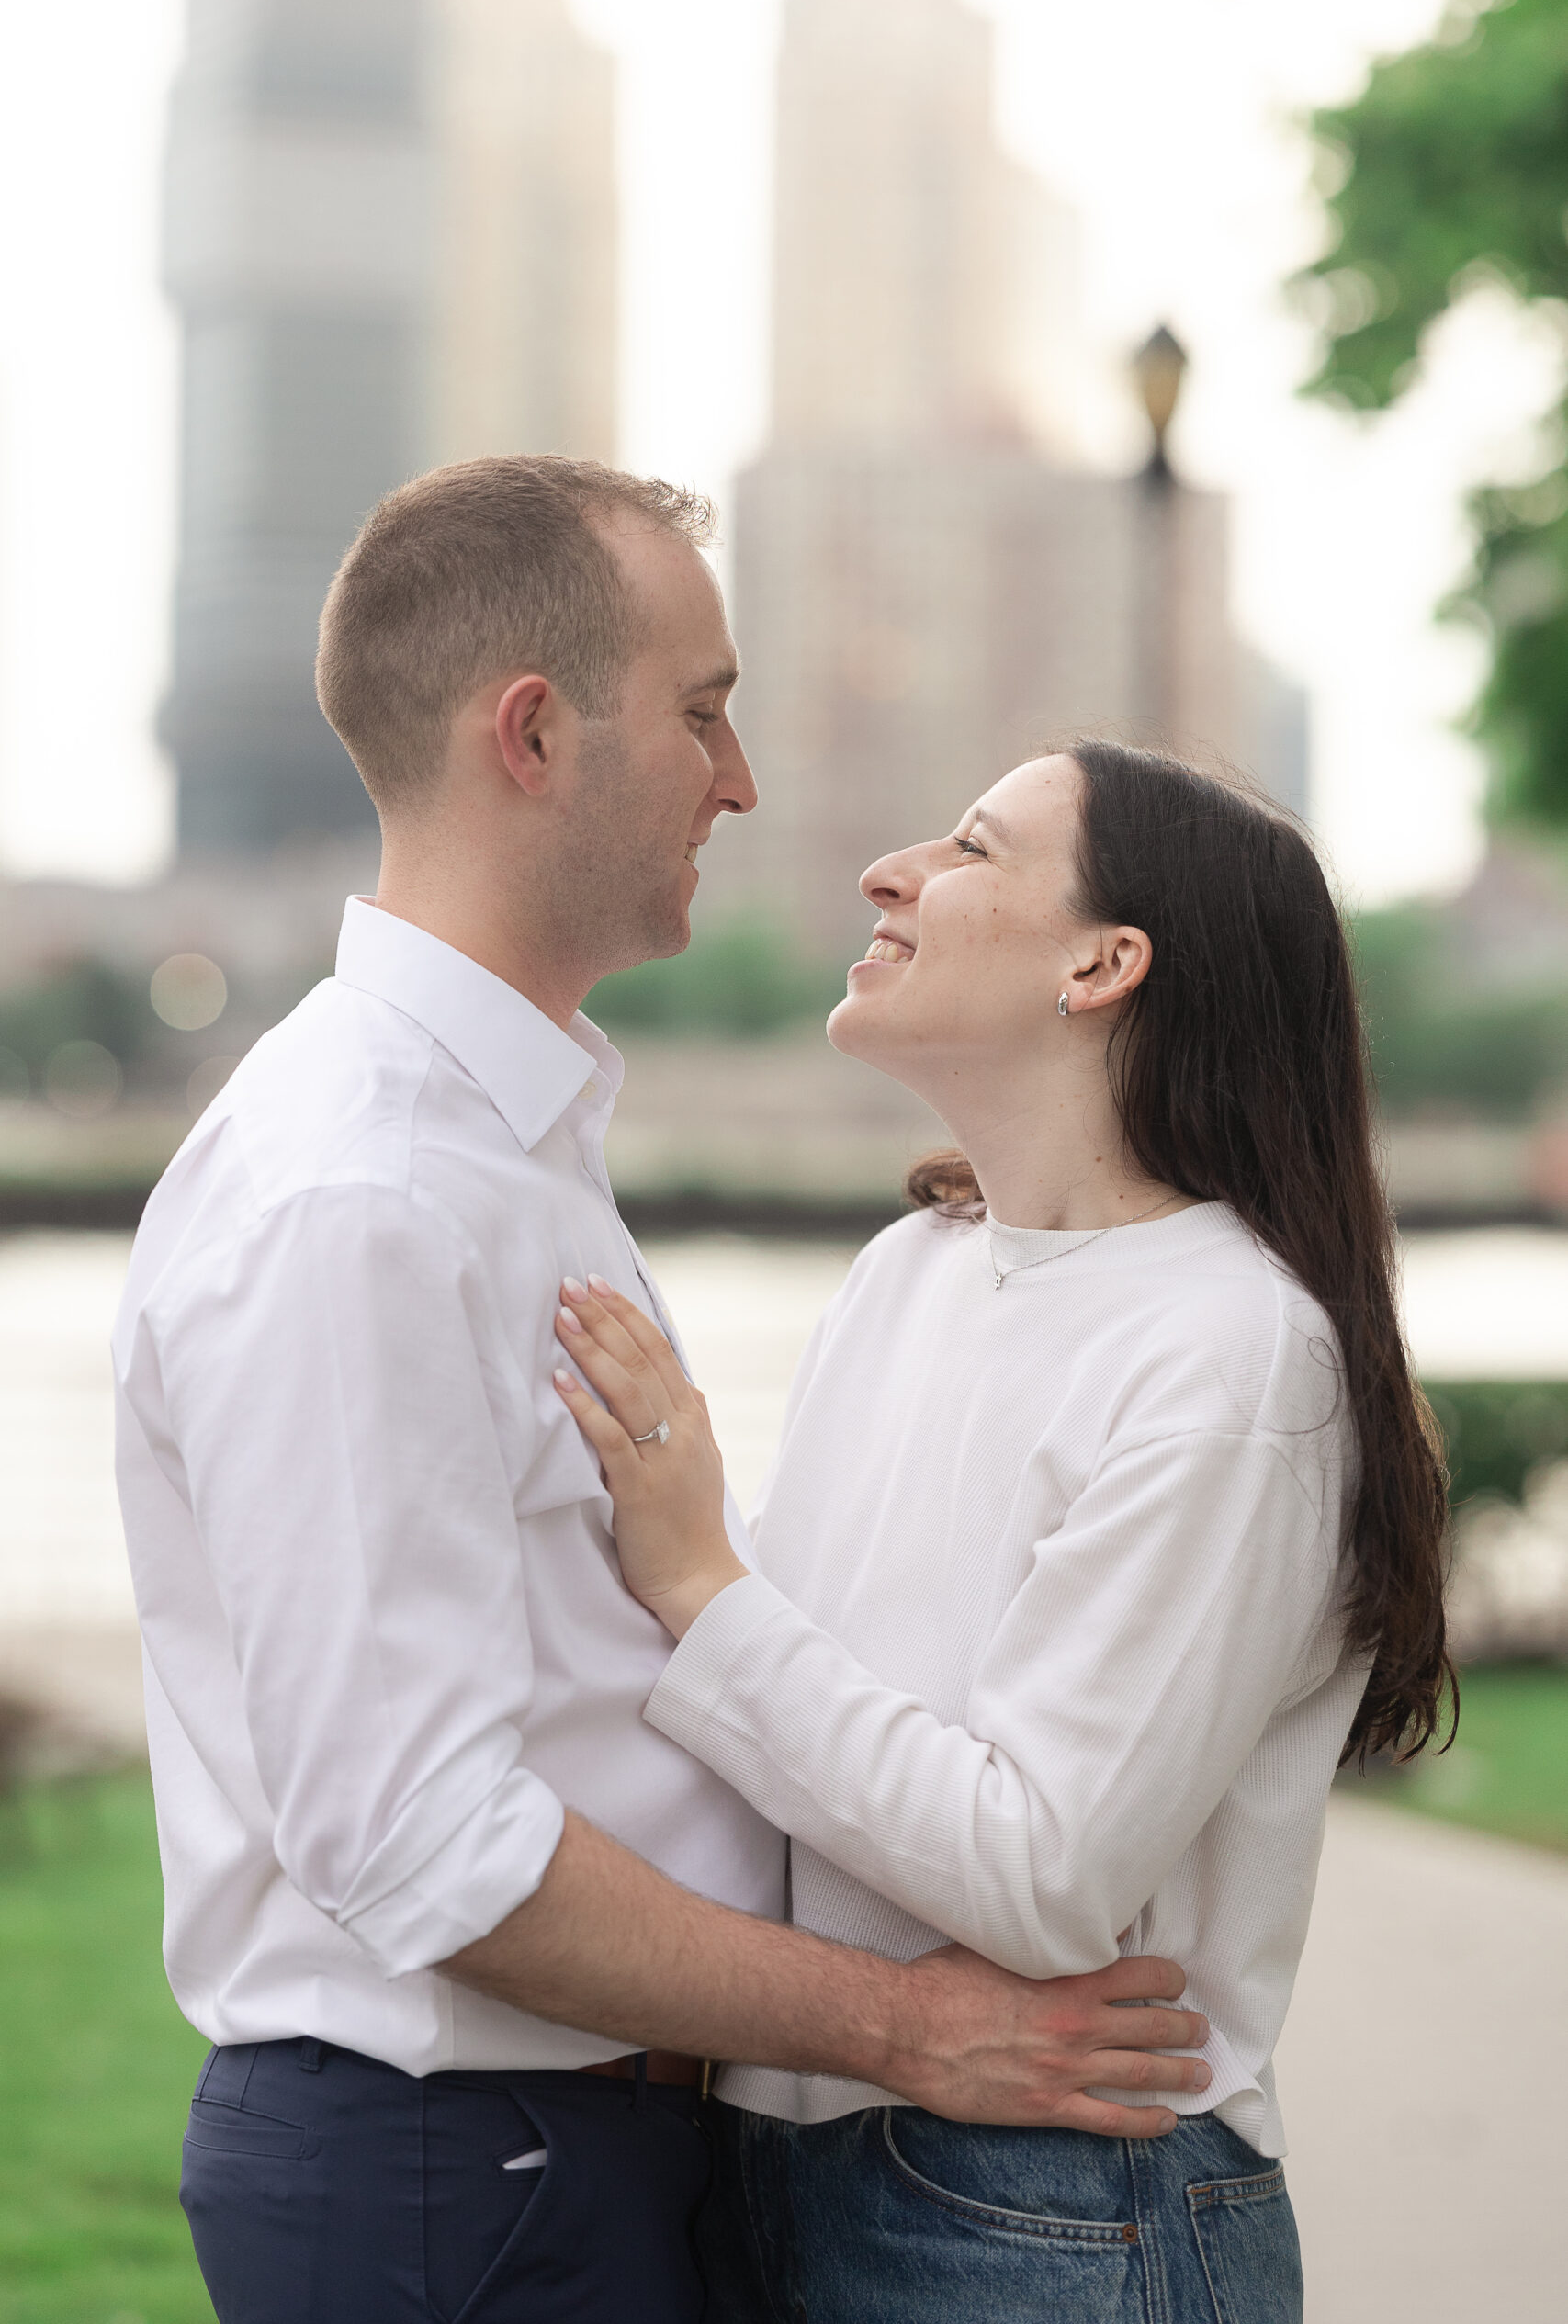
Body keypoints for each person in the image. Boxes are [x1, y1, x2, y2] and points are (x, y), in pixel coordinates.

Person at [112, 464, 1209, 2324]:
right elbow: (414, 1836)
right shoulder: (362, 1191)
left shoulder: (502, 1139)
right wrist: (910, 2026)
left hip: (563, 2150)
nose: (743, 775)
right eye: (701, 709)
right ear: (531, 734)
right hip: (464, 2173)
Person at [551, 739, 1453, 2323]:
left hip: (1050, 2206)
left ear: (1105, 965)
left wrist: (703, 1579)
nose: (888, 872)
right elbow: (808, 1724)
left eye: (969, 848)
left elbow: (1043, 1870)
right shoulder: (912, 1271)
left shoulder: (1236, 1354)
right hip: (778, 2149)